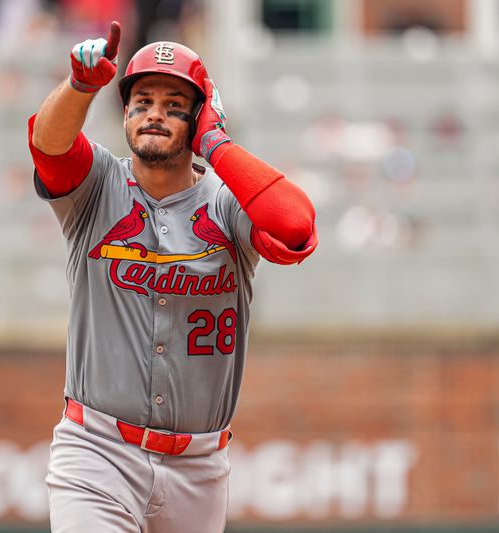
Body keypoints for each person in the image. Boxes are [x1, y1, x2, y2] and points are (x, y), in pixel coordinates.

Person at [28, 21, 318, 533]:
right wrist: (80, 86)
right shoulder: (96, 187)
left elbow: (295, 226)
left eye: (174, 103)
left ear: (200, 115)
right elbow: (48, 146)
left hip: (199, 466)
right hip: (98, 450)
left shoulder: (229, 205)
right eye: (142, 101)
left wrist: (217, 144)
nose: (155, 113)